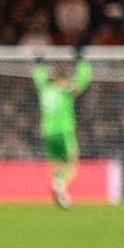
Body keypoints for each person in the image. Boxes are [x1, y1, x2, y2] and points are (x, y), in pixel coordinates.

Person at [31, 50, 92, 209]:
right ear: (63, 79)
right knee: (73, 162)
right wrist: (81, 61)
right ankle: (60, 184)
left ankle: (62, 194)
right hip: (63, 131)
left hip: (47, 132)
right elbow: (83, 81)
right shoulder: (65, 91)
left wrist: (39, 64)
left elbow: (39, 79)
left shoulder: (45, 90)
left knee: (57, 165)